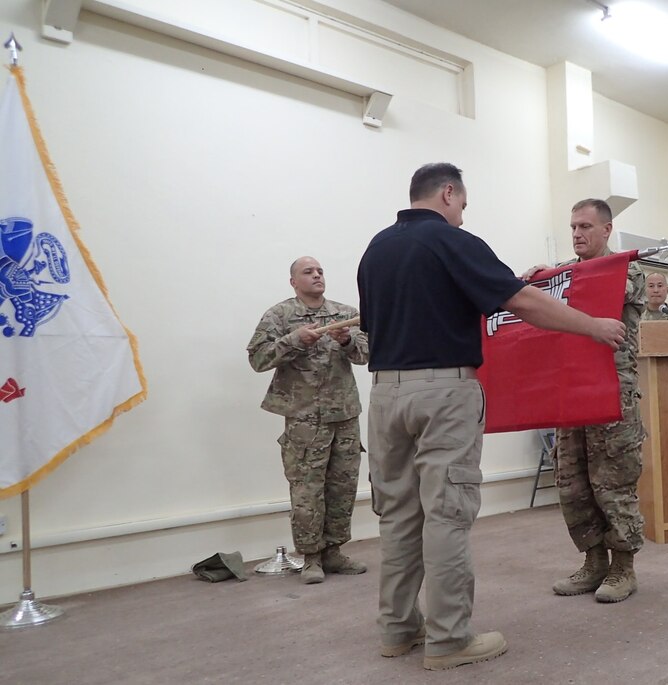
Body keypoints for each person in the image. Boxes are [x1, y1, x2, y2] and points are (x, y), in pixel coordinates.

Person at [357, 164, 626, 671]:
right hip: (442, 393)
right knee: (447, 515)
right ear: (448, 192)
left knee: (397, 516)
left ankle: (397, 629)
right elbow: (522, 302)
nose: (462, 213)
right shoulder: (453, 241)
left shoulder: (376, 250)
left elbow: (378, 325)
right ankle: (449, 639)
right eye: (461, 203)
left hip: (385, 396)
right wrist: (592, 326)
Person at [523, 199, 646, 604]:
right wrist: (534, 285)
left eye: (585, 227)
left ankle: (623, 567)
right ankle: (594, 562)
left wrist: (554, 281)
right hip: (571, 390)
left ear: (607, 230)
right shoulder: (563, 275)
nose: (577, 234)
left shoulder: (627, 270)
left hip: (611, 391)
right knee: (573, 482)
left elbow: (596, 294)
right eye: (573, 227)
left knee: (613, 481)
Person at [247, 256, 369, 584]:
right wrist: (294, 340)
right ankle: (310, 556)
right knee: (306, 490)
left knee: (342, 487)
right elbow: (258, 358)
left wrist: (346, 341)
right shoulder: (280, 315)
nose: (316, 276)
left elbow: (369, 353)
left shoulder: (344, 314)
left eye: (320, 271)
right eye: (308, 272)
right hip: (304, 419)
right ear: (293, 282)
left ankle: (334, 552)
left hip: (344, 415)